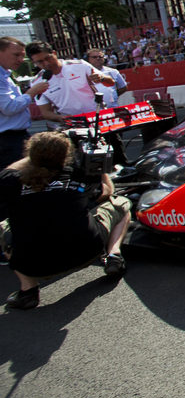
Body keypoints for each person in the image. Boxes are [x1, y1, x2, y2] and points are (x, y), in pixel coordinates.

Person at [0, 132, 131, 309]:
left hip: (34, 265)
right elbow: (107, 192)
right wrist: (100, 170)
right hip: (86, 253)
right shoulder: (77, 174)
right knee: (121, 204)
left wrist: (36, 156)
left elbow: (9, 170)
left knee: (3, 226)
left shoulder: (11, 181)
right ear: (67, 154)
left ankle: (28, 290)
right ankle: (114, 254)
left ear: (30, 155)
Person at [27, 41, 114, 126]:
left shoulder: (80, 65)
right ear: (33, 63)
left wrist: (102, 78)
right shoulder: (37, 83)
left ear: (54, 53)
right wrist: (61, 118)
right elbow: (46, 112)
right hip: (73, 125)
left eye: (48, 58)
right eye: (40, 62)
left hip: (98, 117)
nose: (46, 63)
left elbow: (110, 82)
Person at [0, 38, 48, 168]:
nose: (20, 60)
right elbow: (9, 107)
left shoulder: (5, 75)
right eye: (16, 55)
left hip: (13, 138)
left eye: (22, 56)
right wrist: (31, 92)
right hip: (8, 140)